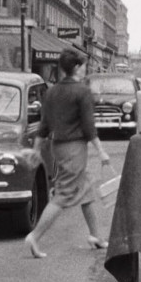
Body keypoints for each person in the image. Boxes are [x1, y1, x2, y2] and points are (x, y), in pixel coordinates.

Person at [24, 48, 111, 258]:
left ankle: (96, 236)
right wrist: (101, 151)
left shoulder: (52, 92)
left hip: (59, 146)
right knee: (64, 193)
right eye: (83, 66)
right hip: (75, 147)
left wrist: (36, 149)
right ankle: (34, 237)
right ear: (77, 67)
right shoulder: (82, 91)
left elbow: (44, 125)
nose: (85, 69)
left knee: (85, 187)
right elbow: (89, 126)